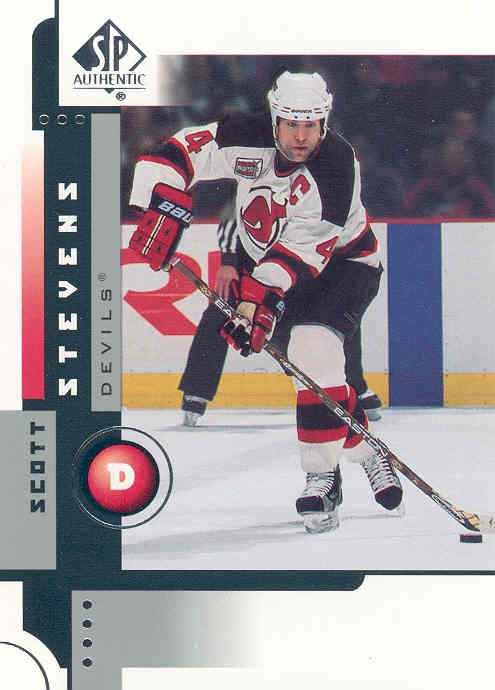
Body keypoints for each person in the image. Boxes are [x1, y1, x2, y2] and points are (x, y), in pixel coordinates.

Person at [128, 71, 403, 533]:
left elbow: (303, 248)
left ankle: (321, 477)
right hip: (273, 271)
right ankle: (366, 448)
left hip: (343, 267)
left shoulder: (338, 163)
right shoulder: (244, 133)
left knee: (312, 349)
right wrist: (158, 201)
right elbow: (175, 153)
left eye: (311, 125)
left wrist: (256, 302)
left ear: (324, 122)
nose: (301, 136)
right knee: (315, 373)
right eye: (292, 124)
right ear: (275, 118)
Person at [179, 212, 383, 426]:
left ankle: (354, 385)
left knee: (331, 318)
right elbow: (232, 209)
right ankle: (196, 392)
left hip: (301, 258)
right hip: (254, 260)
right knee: (221, 310)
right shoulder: (249, 191)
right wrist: (229, 260)